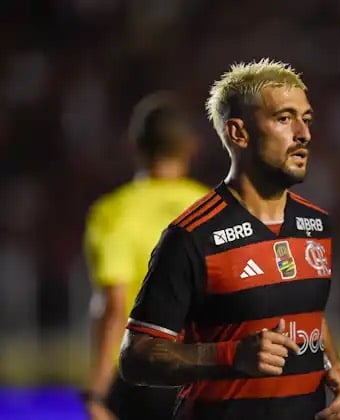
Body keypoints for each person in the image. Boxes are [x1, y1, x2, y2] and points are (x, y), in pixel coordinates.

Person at [119, 59, 340, 420]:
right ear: (239, 133)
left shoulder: (316, 225)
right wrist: (230, 355)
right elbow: (136, 356)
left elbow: (306, 315)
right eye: (284, 118)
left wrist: (334, 364)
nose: (303, 133)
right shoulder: (193, 236)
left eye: (306, 119)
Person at [83, 92, 208, 420]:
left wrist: (97, 390)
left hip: (139, 379)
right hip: (202, 373)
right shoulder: (213, 209)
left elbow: (113, 305)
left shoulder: (113, 213)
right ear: (191, 147)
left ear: (135, 146)